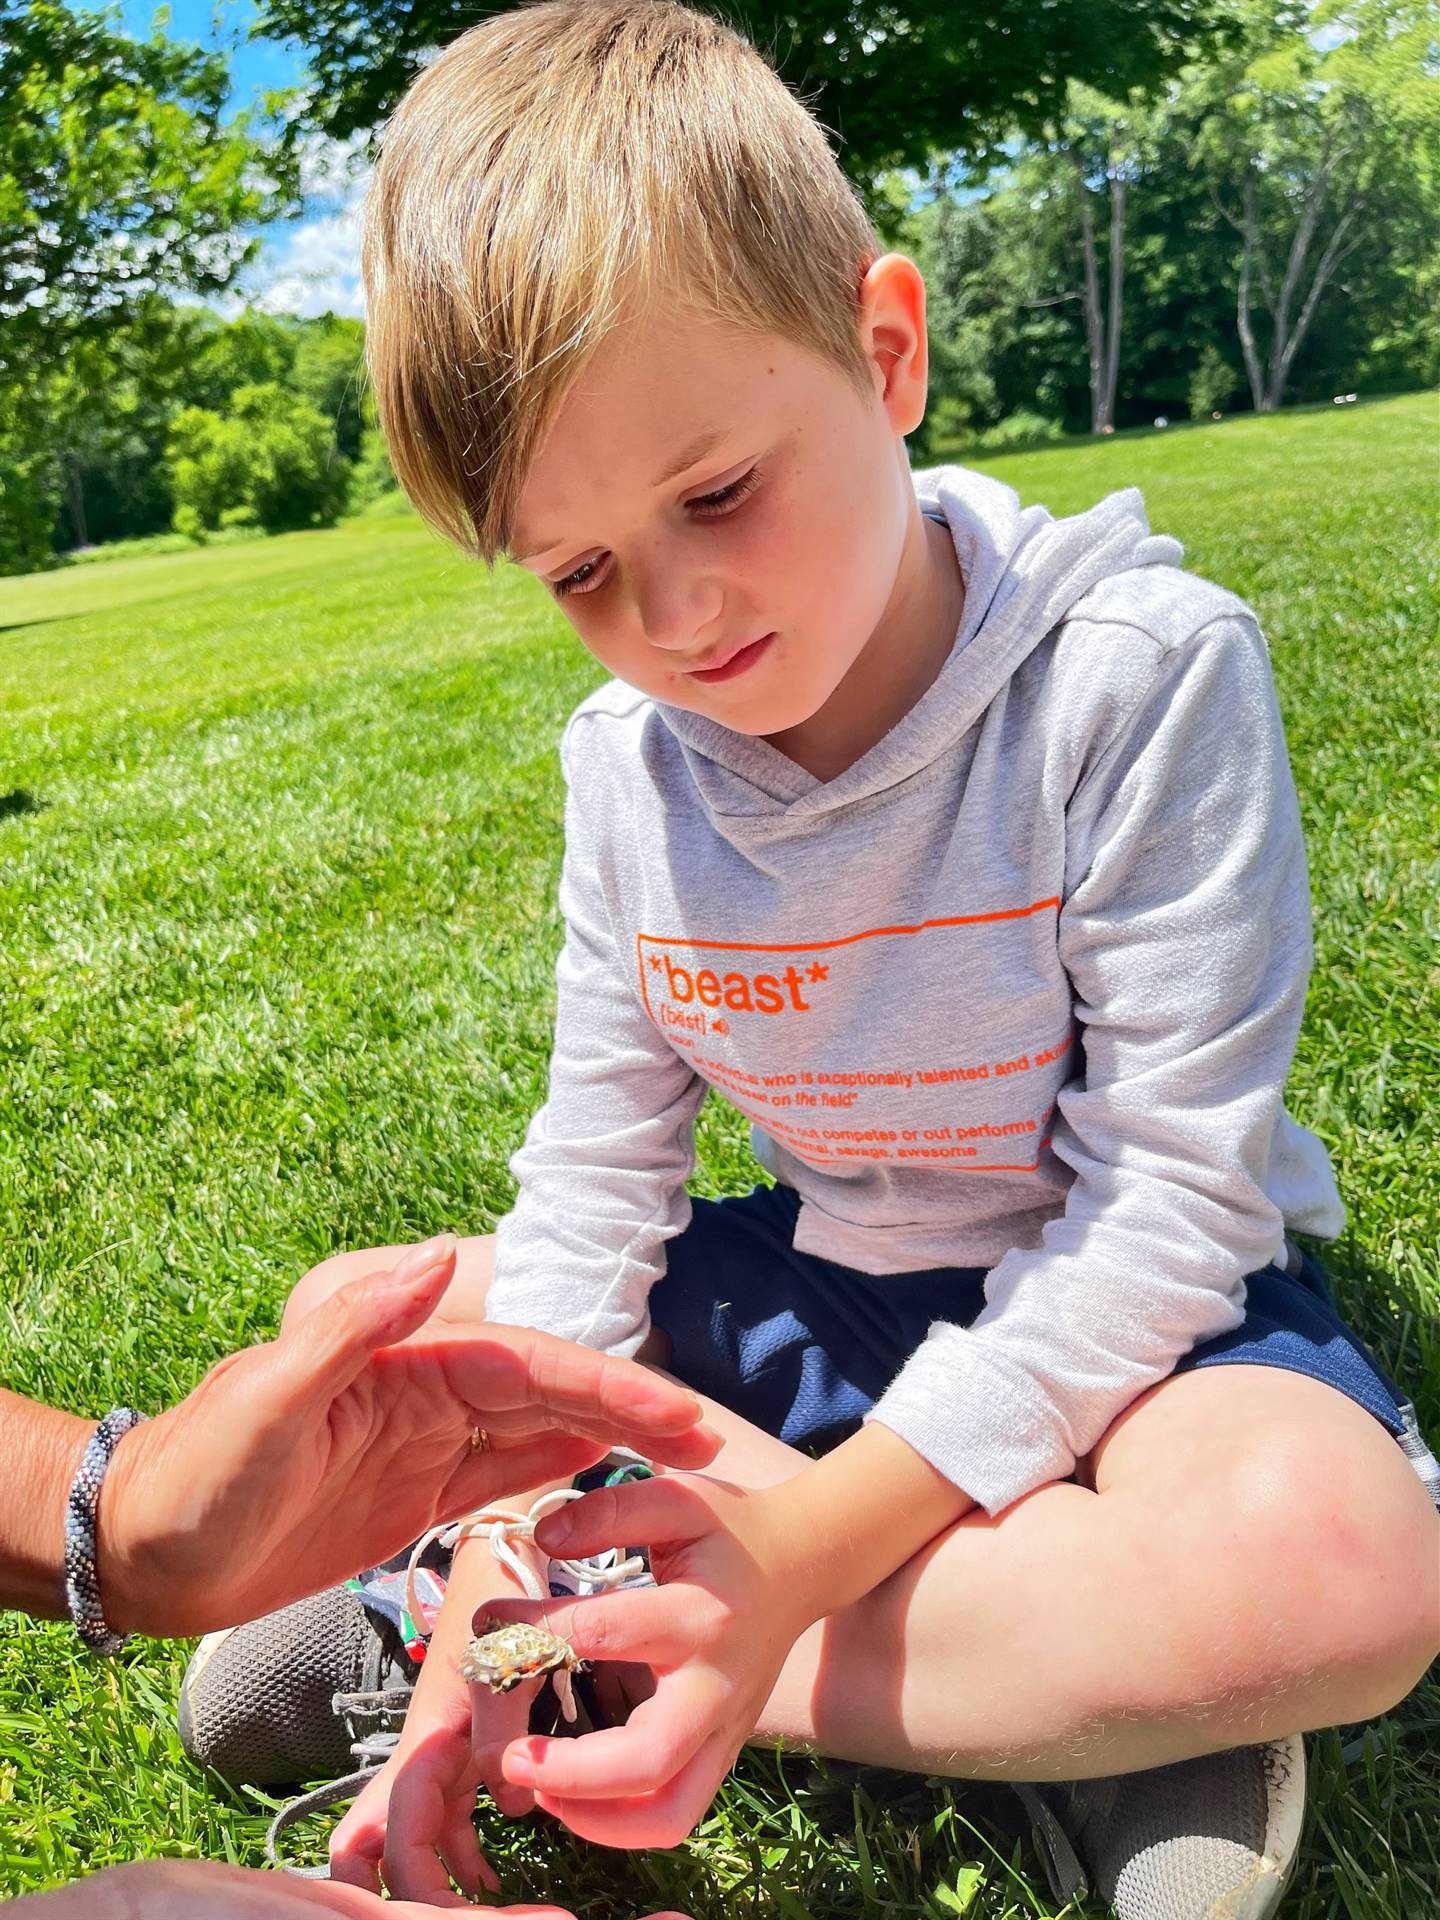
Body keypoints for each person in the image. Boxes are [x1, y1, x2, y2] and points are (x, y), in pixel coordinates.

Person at [241, 3, 1440, 1913]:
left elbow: (1167, 1207)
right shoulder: (627, 773)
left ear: (885, 351)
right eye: (577, 575)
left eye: (716, 495)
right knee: (396, 1333)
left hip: (1152, 1328)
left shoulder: (1132, 679)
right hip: (822, 1292)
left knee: (1337, 1571)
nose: (674, 612)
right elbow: (598, 1167)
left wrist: (791, 1550)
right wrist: (505, 1498)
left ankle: (640, 1644)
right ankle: (1037, 1687)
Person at [3, 1233, 713, 1914]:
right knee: (333, 1295)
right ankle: (531, 1599)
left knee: (738, 1586)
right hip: (758, 1263)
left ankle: (648, 1647)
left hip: (817, 1473)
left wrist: (795, 1553)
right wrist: (495, 1544)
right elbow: (592, 1214)